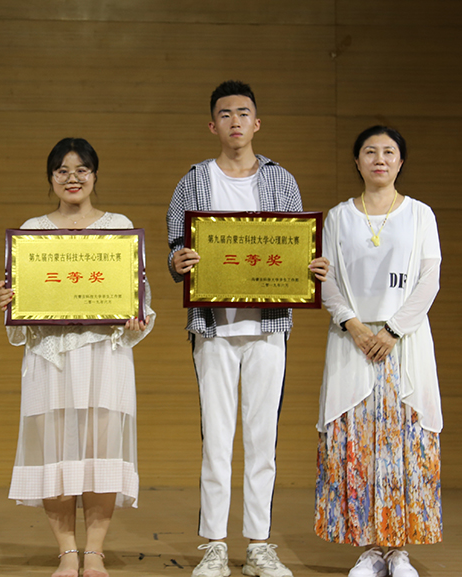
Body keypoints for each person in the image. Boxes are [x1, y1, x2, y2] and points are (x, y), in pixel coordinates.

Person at [166, 80, 328, 577]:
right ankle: (215, 544)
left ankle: (259, 545)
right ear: (211, 125)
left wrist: (312, 268)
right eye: (225, 114)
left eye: (243, 113)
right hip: (213, 328)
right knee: (216, 439)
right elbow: (175, 249)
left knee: (262, 439)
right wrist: (178, 260)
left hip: (268, 326)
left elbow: (298, 245)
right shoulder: (193, 180)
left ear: (257, 123)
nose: (234, 122)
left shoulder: (282, 180)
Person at [0, 138, 154, 577]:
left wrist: (136, 314)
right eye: (62, 170)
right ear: (50, 178)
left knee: (101, 454)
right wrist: (12, 302)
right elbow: (23, 309)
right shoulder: (32, 231)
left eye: (82, 169)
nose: (72, 178)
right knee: (56, 454)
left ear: (95, 175)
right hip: (51, 358)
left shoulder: (118, 226)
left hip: (104, 356)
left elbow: (138, 293)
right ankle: (67, 552)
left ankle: (95, 553)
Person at [314, 126, 442, 577]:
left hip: (403, 345)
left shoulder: (420, 215)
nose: (380, 159)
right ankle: (370, 550)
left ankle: (398, 550)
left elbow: (429, 280)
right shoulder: (338, 217)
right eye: (370, 152)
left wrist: (392, 331)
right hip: (352, 343)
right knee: (357, 442)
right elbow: (325, 279)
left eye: (389, 152)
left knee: (405, 440)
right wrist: (353, 325)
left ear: (401, 162)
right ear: (357, 161)